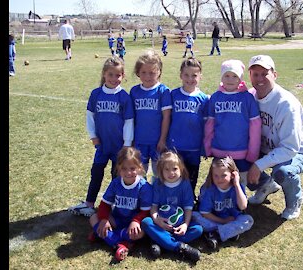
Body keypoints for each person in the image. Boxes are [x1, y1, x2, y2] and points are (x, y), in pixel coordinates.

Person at [246, 55, 303, 220]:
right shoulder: (249, 96)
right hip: (266, 148)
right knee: (240, 161)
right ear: (250, 76)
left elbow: (290, 148)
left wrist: (258, 165)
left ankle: (295, 200)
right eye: (255, 74)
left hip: (297, 152)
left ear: (274, 75)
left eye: (265, 73)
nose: (260, 79)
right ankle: (266, 185)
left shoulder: (286, 104)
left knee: (283, 172)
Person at [68, 56, 134, 217]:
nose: (114, 78)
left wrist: (126, 143)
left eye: (118, 75)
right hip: (102, 144)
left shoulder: (124, 97)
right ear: (104, 74)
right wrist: (93, 136)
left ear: (123, 76)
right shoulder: (96, 94)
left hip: (119, 146)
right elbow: (90, 117)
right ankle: (89, 203)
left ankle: (115, 205)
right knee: (96, 172)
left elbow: (129, 121)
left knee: (117, 176)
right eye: (110, 74)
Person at [204, 59, 262, 189]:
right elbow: (209, 125)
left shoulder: (247, 98)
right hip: (219, 151)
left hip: (241, 152)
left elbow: (255, 127)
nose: (230, 79)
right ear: (222, 77)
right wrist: (208, 147)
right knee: (219, 182)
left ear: (240, 78)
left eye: (234, 76)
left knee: (239, 184)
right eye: (227, 75)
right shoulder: (215, 97)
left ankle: (240, 206)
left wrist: (253, 152)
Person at [88, 146, 152, 261]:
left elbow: (146, 211)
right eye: (124, 168)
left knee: (142, 233)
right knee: (93, 218)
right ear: (118, 168)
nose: (128, 172)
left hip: (132, 224)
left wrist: (136, 221)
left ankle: (105, 236)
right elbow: (104, 204)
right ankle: (122, 243)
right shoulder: (116, 183)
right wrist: (104, 219)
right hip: (117, 220)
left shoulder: (144, 187)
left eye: (132, 168)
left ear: (139, 167)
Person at [140, 151, 203, 262]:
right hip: (161, 224)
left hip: (178, 226)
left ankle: (160, 241)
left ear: (181, 169)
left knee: (198, 229)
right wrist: (157, 220)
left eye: (175, 169)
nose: (171, 173)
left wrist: (185, 225)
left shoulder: (185, 183)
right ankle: (179, 247)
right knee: (146, 222)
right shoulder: (158, 184)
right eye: (167, 169)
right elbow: (154, 207)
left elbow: (188, 207)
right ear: (161, 170)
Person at [167, 57, 209, 200]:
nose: (190, 79)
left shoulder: (204, 99)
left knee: (191, 177)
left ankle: (189, 202)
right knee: (174, 176)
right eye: (186, 75)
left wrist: (204, 147)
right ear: (180, 75)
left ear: (200, 77)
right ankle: (173, 201)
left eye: (194, 75)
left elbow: (205, 125)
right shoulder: (173, 95)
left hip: (194, 147)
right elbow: (167, 119)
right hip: (175, 146)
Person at [192, 156, 254, 250]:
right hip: (214, 219)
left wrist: (236, 184)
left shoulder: (237, 187)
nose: (219, 179)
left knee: (248, 220)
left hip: (233, 219)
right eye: (216, 175)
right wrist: (223, 221)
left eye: (223, 175)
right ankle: (229, 232)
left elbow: (243, 206)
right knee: (195, 216)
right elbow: (205, 213)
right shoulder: (209, 189)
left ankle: (215, 235)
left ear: (232, 174)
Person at [130, 50, 172, 180]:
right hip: (139, 141)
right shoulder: (134, 91)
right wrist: (131, 139)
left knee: (159, 175)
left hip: (157, 142)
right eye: (143, 72)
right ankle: (141, 198)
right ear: (138, 72)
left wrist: (162, 139)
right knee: (139, 174)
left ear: (159, 72)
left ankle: (158, 200)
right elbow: (131, 118)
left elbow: (166, 117)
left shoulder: (163, 91)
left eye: (152, 73)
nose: (148, 76)